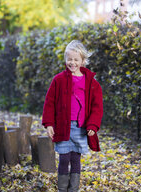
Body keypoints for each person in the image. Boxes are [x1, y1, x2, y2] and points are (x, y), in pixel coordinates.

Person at [42, 40, 103, 192]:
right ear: (65, 59)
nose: (72, 62)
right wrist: (49, 124)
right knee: (64, 158)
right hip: (63, 127)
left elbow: (97, 107)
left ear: (83, 61)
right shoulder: (58, 80)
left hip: (81, 128)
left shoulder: (92, 83)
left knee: (76, 159)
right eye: (70, 59)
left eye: (76, 59)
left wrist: (93, 125)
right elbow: (49, 103)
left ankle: (73, 189)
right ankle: (62, 189)